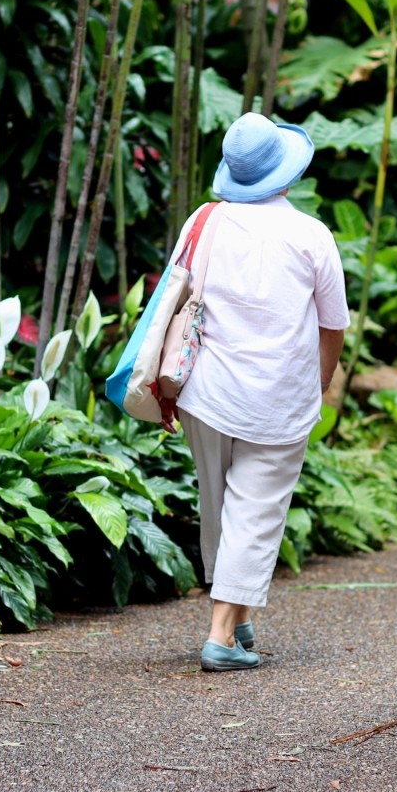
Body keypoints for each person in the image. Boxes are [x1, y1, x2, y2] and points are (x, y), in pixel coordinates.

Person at [167, 112, 349, 672]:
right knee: (255, 511)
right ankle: (221, 635)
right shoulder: (311, 235)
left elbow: (174, 300)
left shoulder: (205, 221)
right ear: (285, 175)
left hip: (207, 391)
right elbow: (333, 325)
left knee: (220, 504)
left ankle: (241, 621)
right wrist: (319, 385)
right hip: (279, 396)